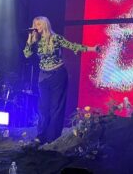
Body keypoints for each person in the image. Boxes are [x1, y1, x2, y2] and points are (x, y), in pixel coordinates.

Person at [23, 16, 100, 144]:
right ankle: (40, 136)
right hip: (43, 76)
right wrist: (29, 41)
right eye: (35, 24)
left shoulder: (55, 38)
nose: (36, 27)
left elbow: (71, 45)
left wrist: (92, 48)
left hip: (58, 75)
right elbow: (26, 54)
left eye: (39, 24)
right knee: (43, 107)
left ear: (45, 25)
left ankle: (52, 137)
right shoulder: (35, 41)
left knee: (55, 107)